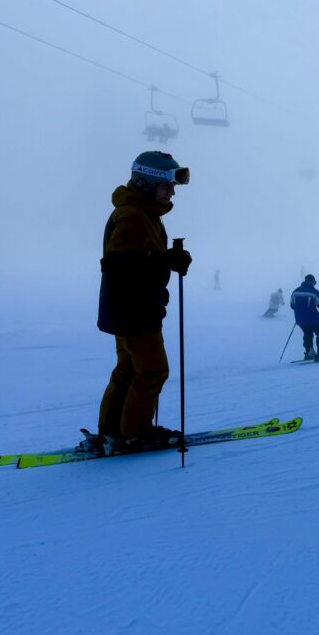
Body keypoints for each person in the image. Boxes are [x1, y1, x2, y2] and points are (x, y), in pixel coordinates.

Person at [95, 150, 193, 448]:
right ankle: (134, 432)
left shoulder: (141, 212)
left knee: (129, 369)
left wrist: (165, 259)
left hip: (127, 310)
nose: (172, 192)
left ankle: (114, 429)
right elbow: (120, 266)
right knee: (152, 371)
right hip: (135, 311)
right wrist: (166, 261)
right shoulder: (133, 215)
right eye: (167, 186)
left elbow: (137, 260)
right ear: (147, 183)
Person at [290, 275, 319, 360]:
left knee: (307, 334)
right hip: (312, 318)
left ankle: (309, 352)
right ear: (312, 282)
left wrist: (300, 312)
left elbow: (292, 305)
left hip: (300, 319)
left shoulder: (295, 292)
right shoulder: (313, 292)